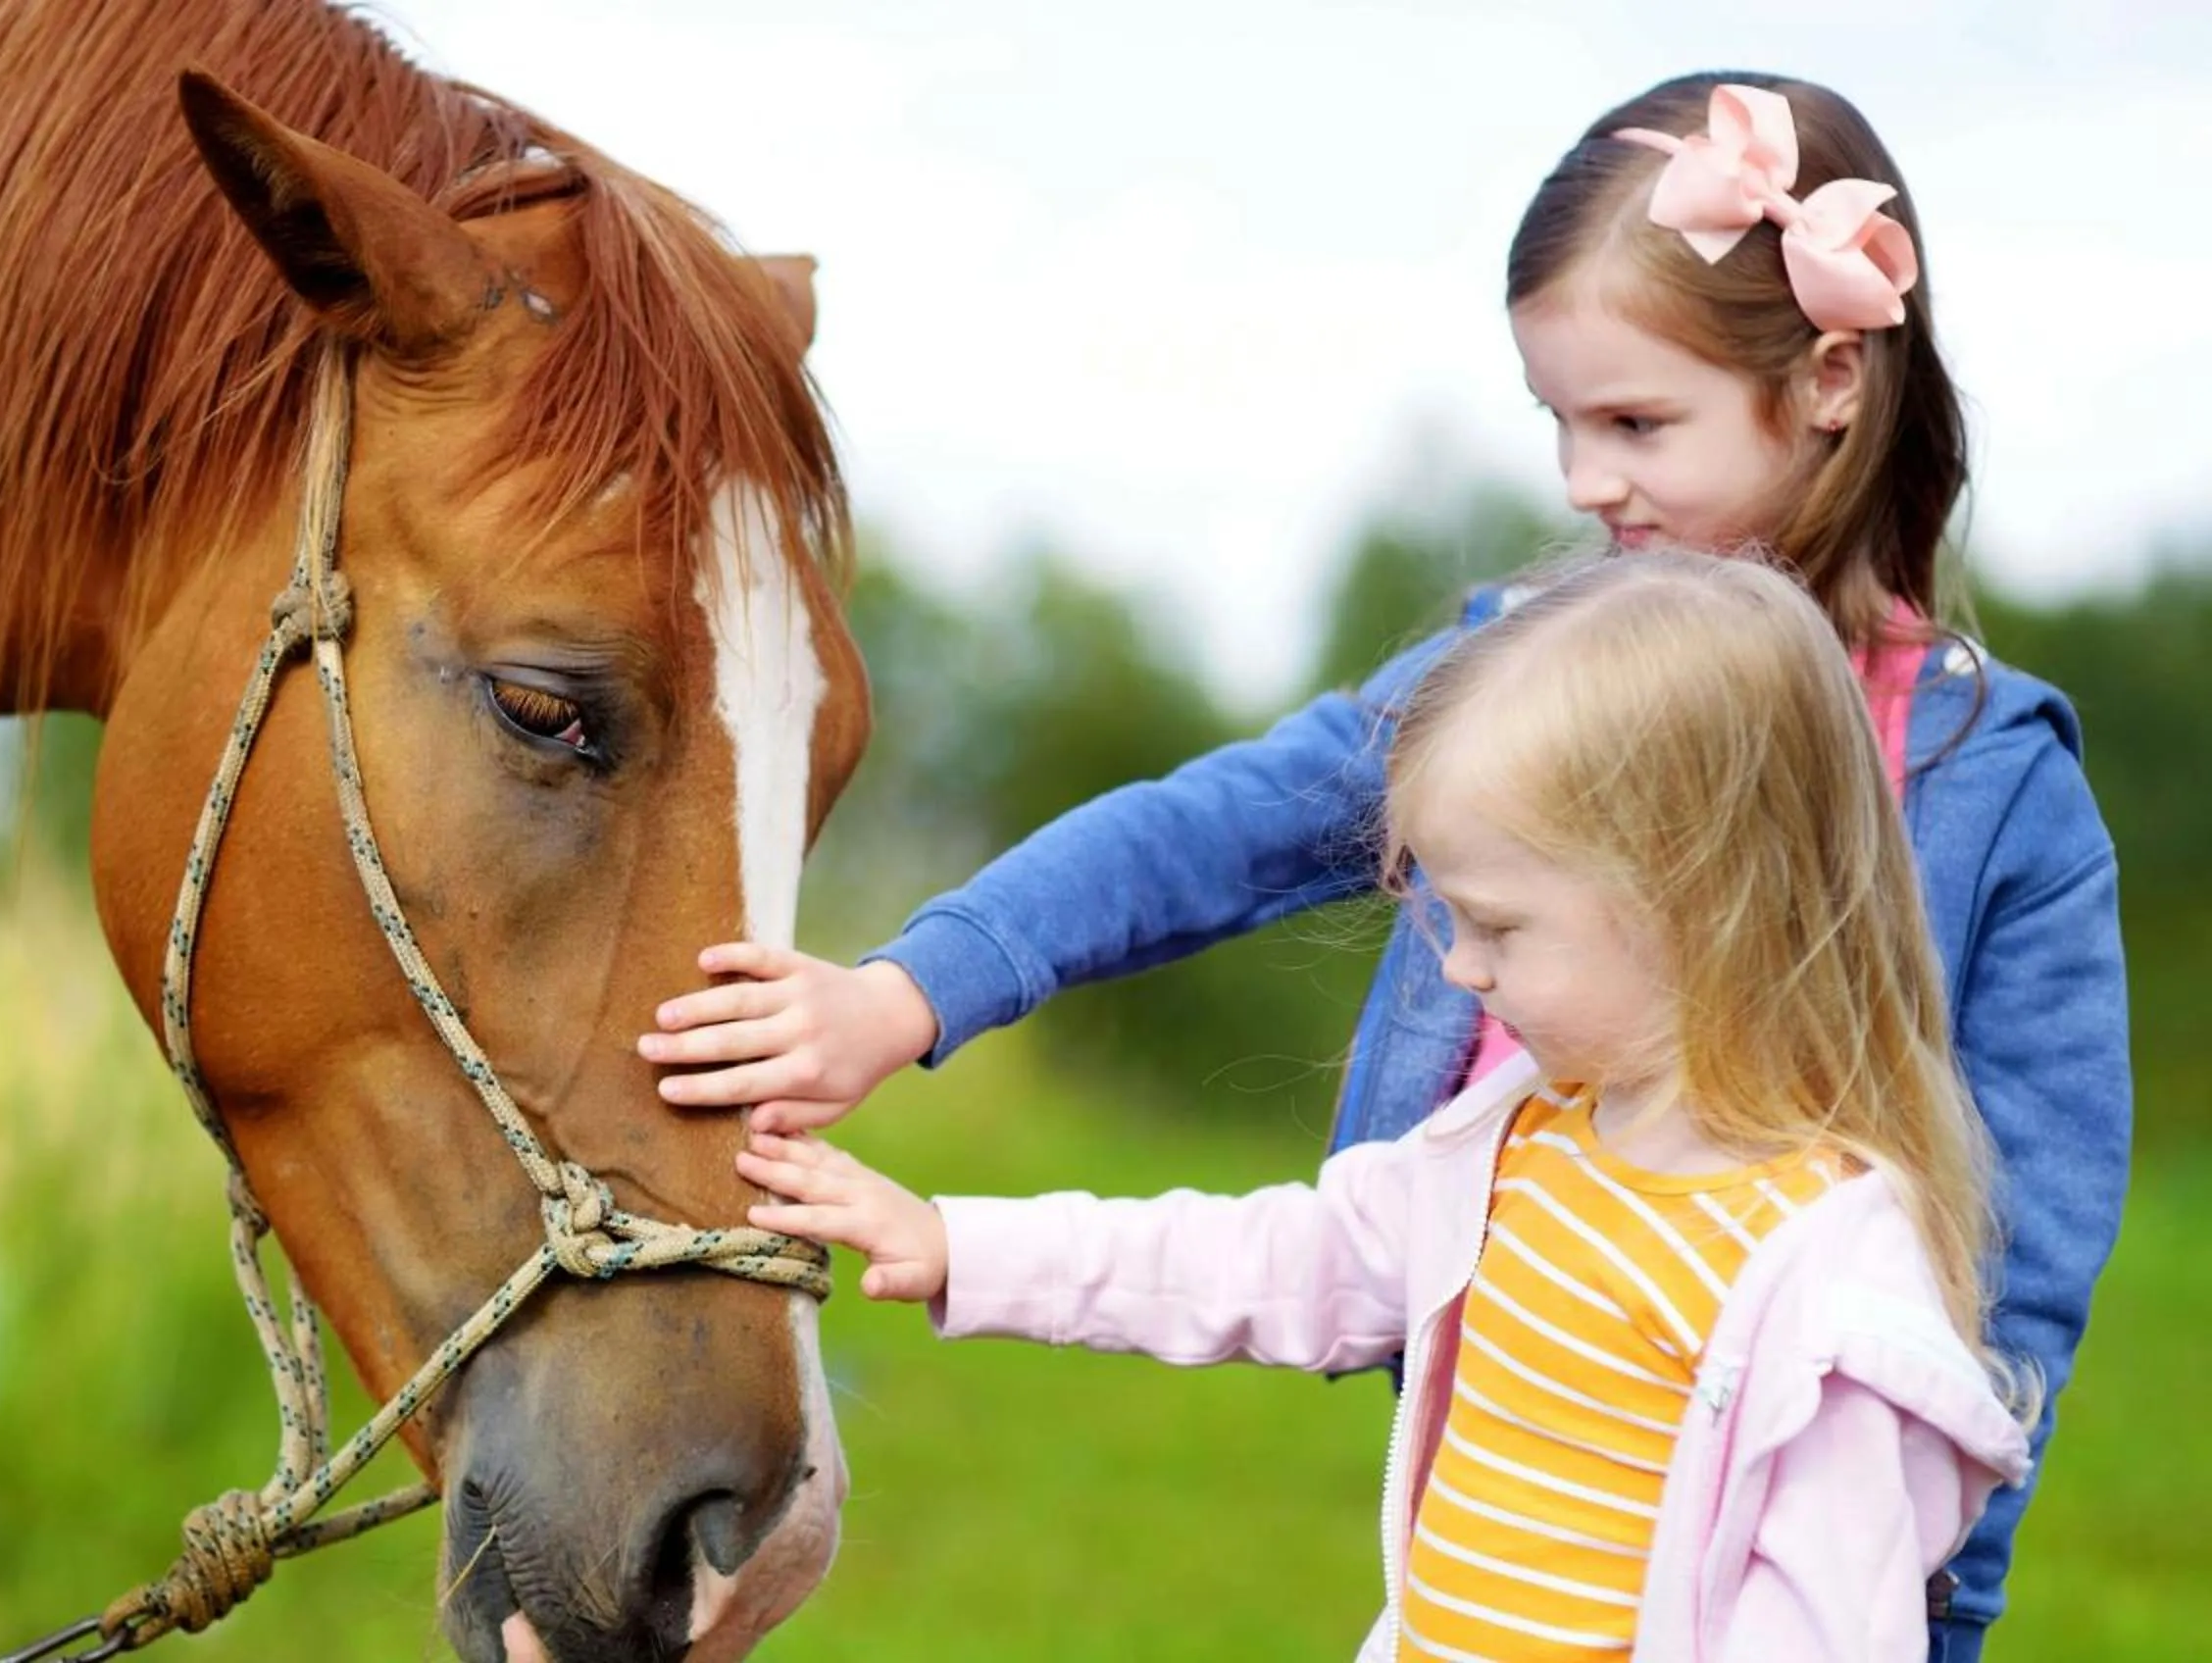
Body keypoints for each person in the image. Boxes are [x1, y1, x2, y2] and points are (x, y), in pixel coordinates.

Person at [640, 75, 2128, 1657]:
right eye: (1557, 420)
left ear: (1833, 378)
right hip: (1517, 1425)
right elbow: (1205, 836)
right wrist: (906, 992)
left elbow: (2008, 1272)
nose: (1580, 482)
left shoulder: (1995, 786)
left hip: (1782, 1498)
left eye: (1635, 423)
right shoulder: (1515, 684)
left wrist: (1937, 1596)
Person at [739, 552, 2036, 1659]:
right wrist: (962, 1245)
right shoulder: (1516, 1150)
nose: (1458, 970)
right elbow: (1273, 1261)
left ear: (1699, 902)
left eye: (1497, 925)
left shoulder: (1836, 1303)